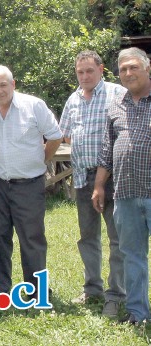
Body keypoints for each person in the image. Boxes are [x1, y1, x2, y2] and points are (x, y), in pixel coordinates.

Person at [0, 65, 62, 298]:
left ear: (13, 84)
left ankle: (37, 291)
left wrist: (40, 159)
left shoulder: (33, 105)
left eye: (3, 85)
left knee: (32, 238)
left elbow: (55, 136)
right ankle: (0, 290)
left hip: (29, 183)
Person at [59, 50, 125, 316]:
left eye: (89, 71)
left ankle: (116, 294)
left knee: (116, 238)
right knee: (87, 237)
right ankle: (92, 289)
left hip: (112, 177)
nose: (84, 76)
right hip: (82, 177)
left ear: (101, 69)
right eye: (80, 72)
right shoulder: (73, 99)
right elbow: (64, 134)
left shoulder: (116, 94)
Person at [92, 47, 151, 325]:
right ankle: (138, 313)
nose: (128, 73)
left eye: (133, 67)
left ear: (147, 68)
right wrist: (99, 186)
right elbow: (107, 150)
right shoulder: (116, 105)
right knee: (132, 256)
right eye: (123, 69)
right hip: (125, 195)